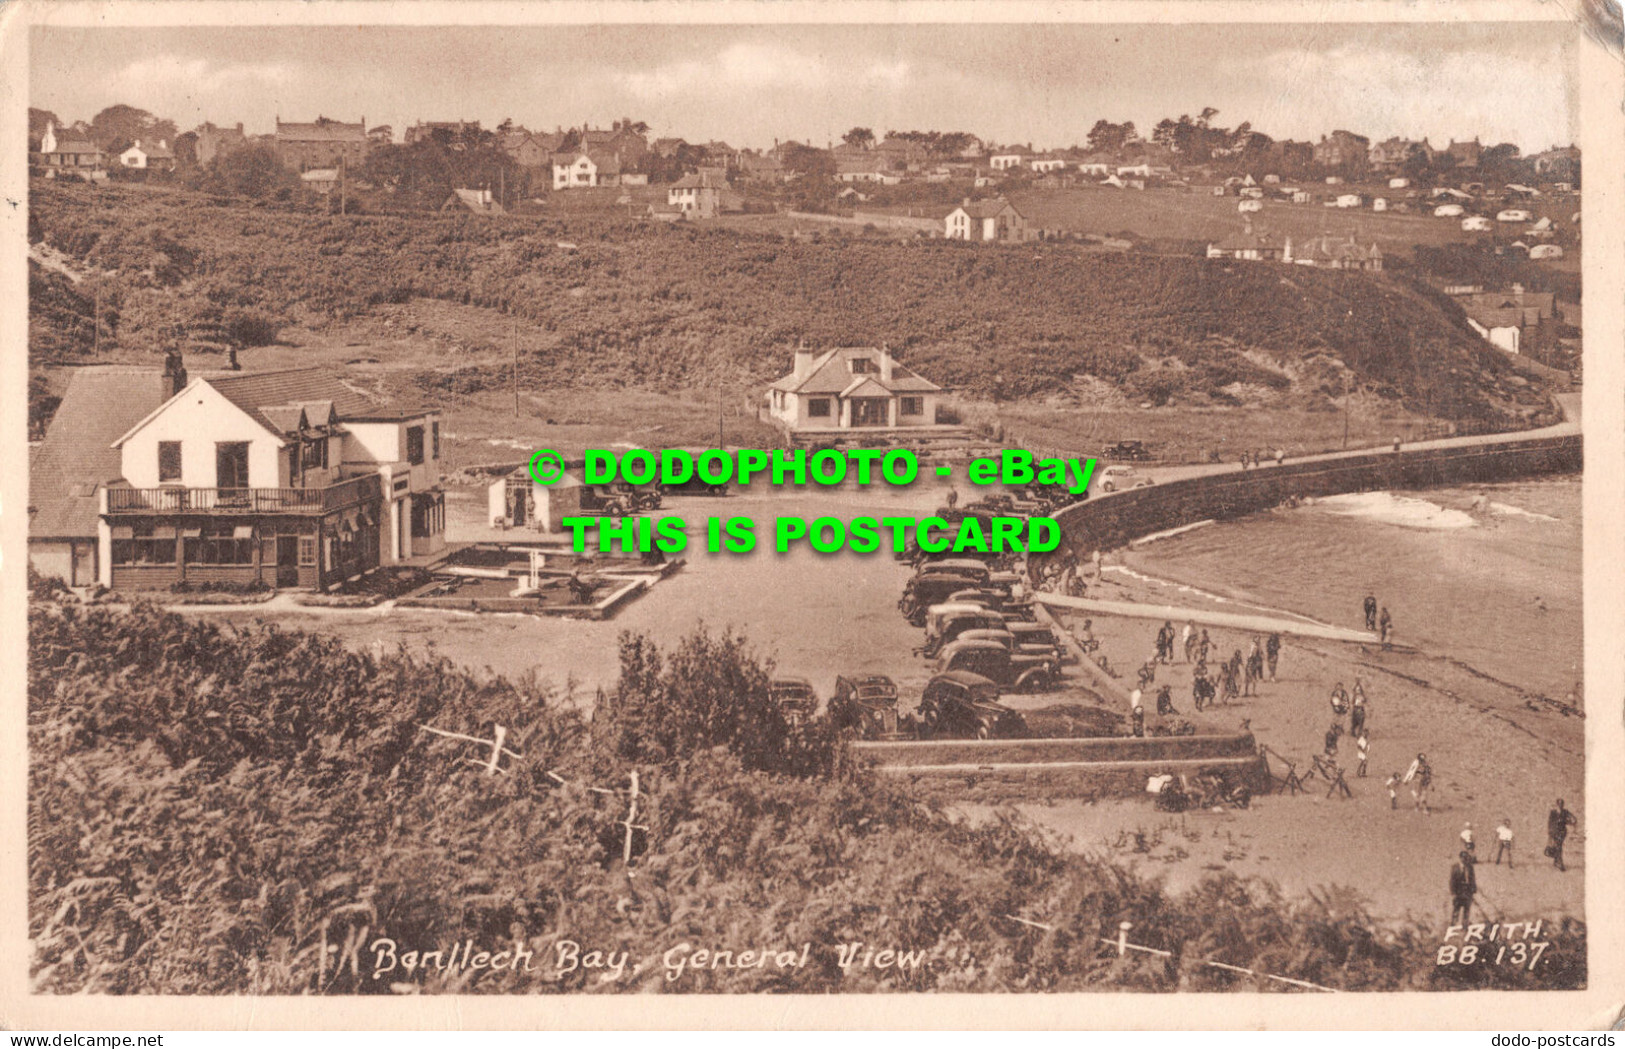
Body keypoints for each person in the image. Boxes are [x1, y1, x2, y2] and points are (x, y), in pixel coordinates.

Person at [1449, 850, 1478, 927]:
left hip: (1467, 892)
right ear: (1460, 858)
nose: (1465, 859)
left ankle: (1464, 925)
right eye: (1464, 858)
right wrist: (1453, 893)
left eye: (1466, 858)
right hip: (1458, 892)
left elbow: (1472, 879)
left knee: (1467, 910)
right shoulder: (1455, 868)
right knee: (1456, 910)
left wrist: (1473, 890)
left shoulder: (1470, 867)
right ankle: (1453, 925)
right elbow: (1452, 881)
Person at [1547, 799, 1577, 871]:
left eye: (1562, 804)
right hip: (1555, 832)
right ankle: (1557, 861)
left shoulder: (1565, 812)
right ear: (1557, 804)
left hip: (1562, 832)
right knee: (1558, 846)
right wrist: (1550, 832)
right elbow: (1550, 822)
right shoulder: (1553, 812)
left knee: (1559, 846)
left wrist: (1569, 822)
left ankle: (1560, 863)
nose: (1560, 805)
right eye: (1559, 804)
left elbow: (1573, 819)